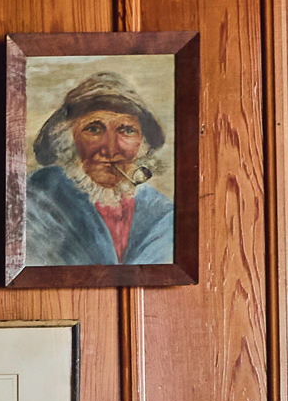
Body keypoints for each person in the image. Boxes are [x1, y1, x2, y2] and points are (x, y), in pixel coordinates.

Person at [21, 69, 175, 268]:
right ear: (68, 140)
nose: (111, 149)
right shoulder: (34, 202)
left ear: (142, 143)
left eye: (127, 130)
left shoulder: (162, 214)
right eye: (94, 129)